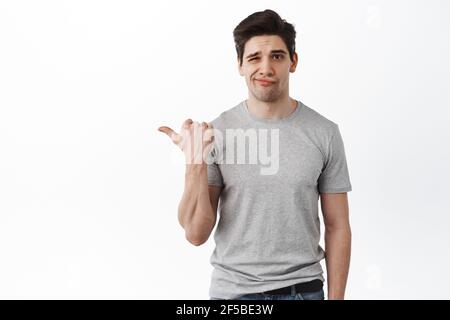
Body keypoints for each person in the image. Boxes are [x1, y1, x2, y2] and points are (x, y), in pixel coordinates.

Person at [158, 9, 352, 300]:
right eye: (254, 58)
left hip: (304, 291)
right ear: (239, 65)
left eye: (277, 56)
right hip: (234, 295)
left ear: (293, 62)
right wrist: (194, 164)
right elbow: (196, 234)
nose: (265, 68)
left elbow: (337, 226)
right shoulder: (216, 134)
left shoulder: (324, 133)